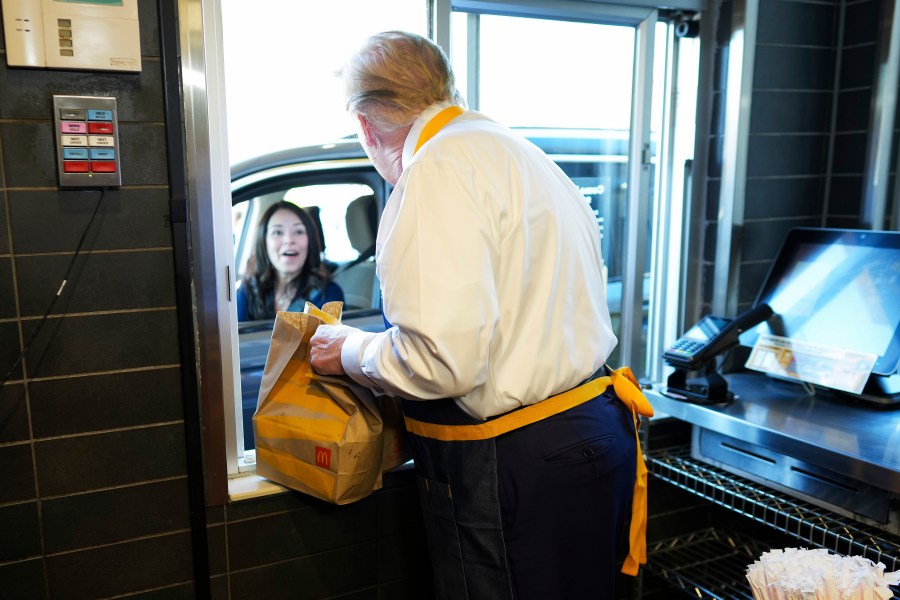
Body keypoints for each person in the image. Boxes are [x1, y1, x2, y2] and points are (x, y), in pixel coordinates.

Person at [309, 31, 652, 600]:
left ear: (366, 127)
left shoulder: (434, 172)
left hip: (517, 462)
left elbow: (443, 363)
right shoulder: (517, 151)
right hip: (594, 431)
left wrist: (349, 348)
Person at [236, 200, 343, 321]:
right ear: (264, 242)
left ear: (310, 240)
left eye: (298, 231)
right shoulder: (248, 289)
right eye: (277, 232)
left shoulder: (328, 294)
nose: (288, 239)